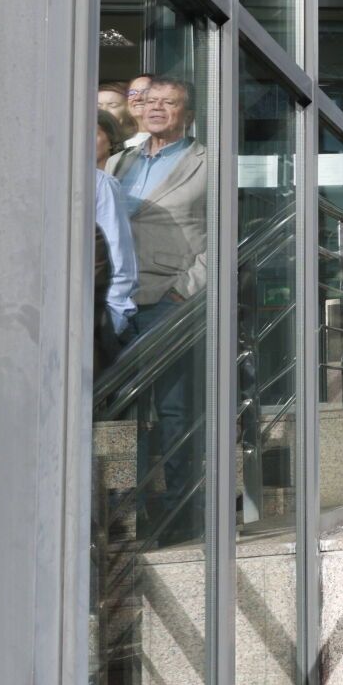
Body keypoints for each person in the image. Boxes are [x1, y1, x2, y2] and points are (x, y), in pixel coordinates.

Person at [109, 76, 209, 543]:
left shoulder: (208, 163)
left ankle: (178, 515)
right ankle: (125, 511)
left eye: (169, 103)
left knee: (174, 410)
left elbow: (224, 234)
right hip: (117, 299)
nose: (157, 109)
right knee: (121, 406)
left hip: (170, 299)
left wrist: (186, 290)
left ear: (188, 114)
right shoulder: (119, 161)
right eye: (150, 101)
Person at [92, 109, 139, 367]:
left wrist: (114, 313)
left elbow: (117, 251)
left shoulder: (102, 184)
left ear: (111, 140)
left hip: (97, 315)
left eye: (94, 132)